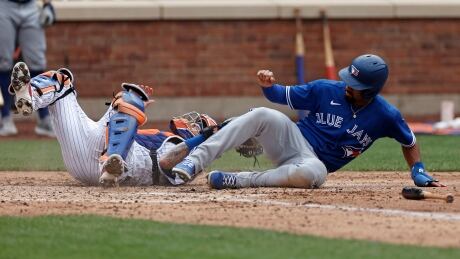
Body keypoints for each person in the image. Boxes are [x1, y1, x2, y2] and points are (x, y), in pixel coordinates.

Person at [170, 54, 445, 189]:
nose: (347, 85)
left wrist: (417, 169)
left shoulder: (386, 115)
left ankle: (238, 179)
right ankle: (193, 160)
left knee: (315, 175)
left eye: (355, 84)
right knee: (262, 113)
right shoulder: (326, 89)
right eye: (348, 79)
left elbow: (409, 140)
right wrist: (268, 85)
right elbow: (281, 95)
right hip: (291, 139)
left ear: (371, 91)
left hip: (312, 162)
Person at [8, 61, 220, 187]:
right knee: (63, 81)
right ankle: (29, 95)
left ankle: (112, 162)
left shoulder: (189, 159)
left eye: (197, 124)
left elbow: (166, 163)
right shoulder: (175, 144)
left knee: (132, 96)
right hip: (87, 155)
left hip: (116, 165)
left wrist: (202, 139)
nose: (191, 122)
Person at [0, 0, 56, 137]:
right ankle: (5, 118)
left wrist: (47, 4)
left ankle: (44, 119)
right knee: (3, 62)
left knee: (37, 62)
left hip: (30, 5)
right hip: (4, 5)